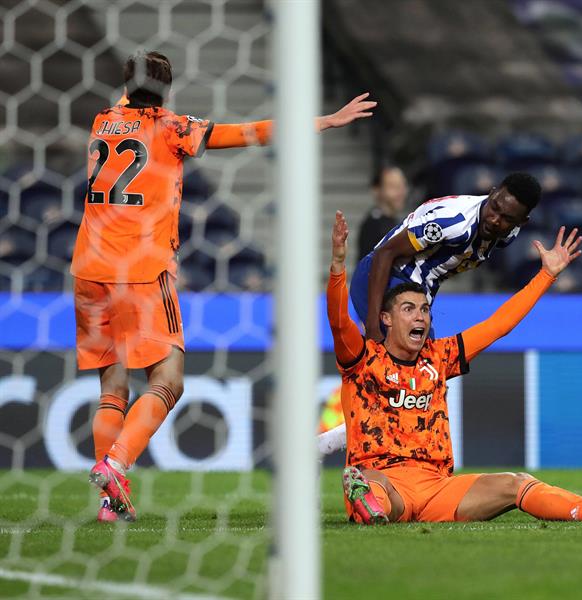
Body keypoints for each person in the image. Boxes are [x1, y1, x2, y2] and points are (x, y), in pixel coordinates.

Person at [77, 50, 375, 522]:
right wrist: (325, 121)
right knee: (169, 381)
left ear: (126, 88)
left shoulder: (103, 120)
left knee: (113, 389)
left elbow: (134, 94)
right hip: (140, 270)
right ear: (166, 94)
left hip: (87, 271)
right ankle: (115, 465)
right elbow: (246, 133)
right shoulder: (171, 127)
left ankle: (109, 503)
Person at [328, 210, 582, 524]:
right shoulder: (362, 360)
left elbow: (500, 324)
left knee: (516, 483)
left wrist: (546, 275)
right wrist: (339, 268)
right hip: (384, 479)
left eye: (425, 310)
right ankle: (367, 504)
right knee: (370, 484)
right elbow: (340, 322)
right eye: (409, 309)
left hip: (438, 488)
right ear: (385, 318)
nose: (420, 316)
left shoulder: (440, 356)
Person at [316, 172, 541, 456]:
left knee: (417, 382)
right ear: (493, 192)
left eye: (506, 217)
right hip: (385, 278)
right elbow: (385, 254)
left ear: (521, 222)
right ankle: (368, 456)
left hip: (416, 292)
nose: (495, 218)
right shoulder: (453, 223)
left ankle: (336, 445)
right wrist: (373, 325)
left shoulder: (508, 234)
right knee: (422, 371)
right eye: (495, 206)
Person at [356, 166, 409, 261]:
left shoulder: (396, 222)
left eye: (403, 185)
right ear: (377, 190)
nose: (401, 192)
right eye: (393, 187)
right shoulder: (373, 226)